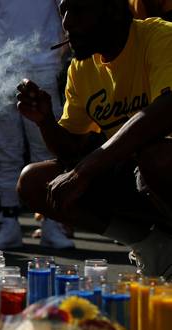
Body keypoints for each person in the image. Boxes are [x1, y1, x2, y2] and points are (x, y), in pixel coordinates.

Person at [17, 0, 172, 277]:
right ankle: (152, 246)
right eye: (63, 11)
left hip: (161, 169)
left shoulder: (159, 36)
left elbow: (166, 110)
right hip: (136, 175)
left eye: (77, 9)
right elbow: (71, 149)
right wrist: (46, 122)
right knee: (34, 182)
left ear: (110, 9)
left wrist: (84, 170)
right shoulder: (82, 67)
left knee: (157, 159)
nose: (66, 23)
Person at [0, 0, 74, 250]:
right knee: (5, 153)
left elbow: (70, 14)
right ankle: (9, 223)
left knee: (46, 150)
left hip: (44, 68)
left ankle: (51, 222)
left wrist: (62, 57)